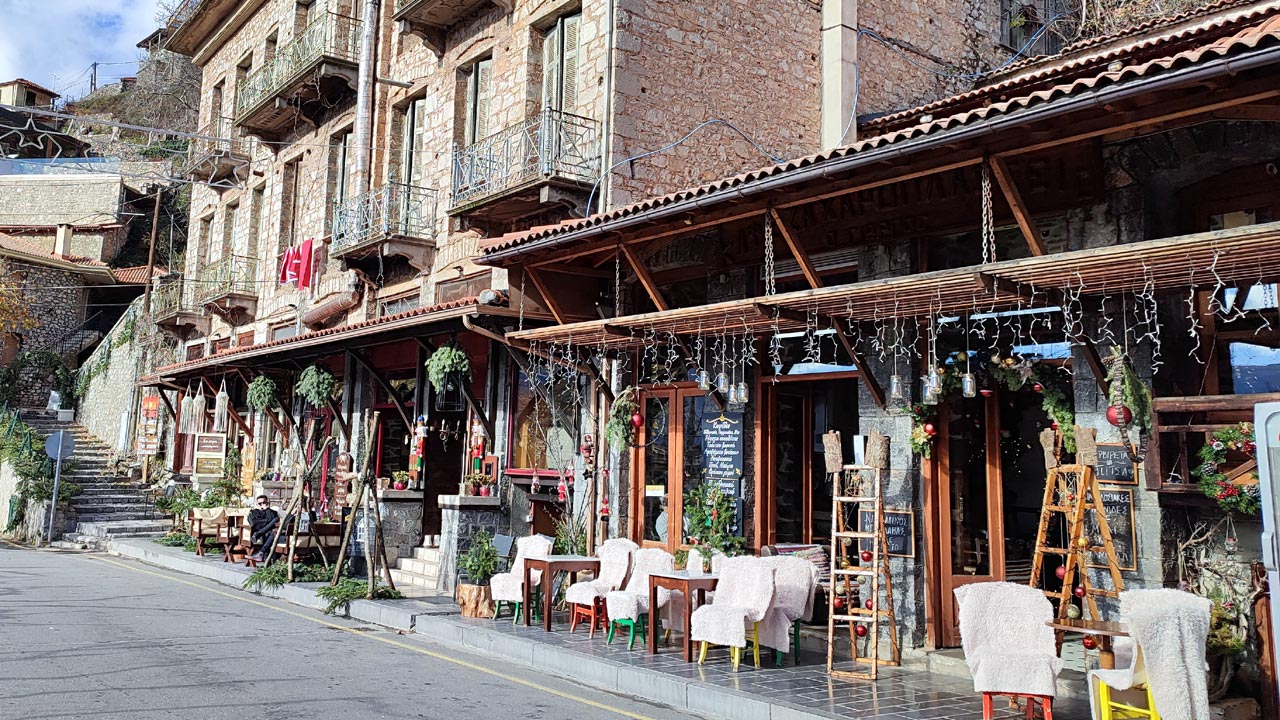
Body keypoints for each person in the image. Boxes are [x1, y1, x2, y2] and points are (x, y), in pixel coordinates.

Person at [247, 495, 279, 561]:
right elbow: (255, 523)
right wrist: (268, 522)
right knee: (271, 529)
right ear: (257, 504)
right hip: (259, 529)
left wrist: (267, 509)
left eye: (264, 503)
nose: (262, 505)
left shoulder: (272, 512)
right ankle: (265, 557)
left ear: (267, 503)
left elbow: (274, 520)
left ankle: (258, 536)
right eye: (260, 503)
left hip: (269, 531)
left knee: (272, 530)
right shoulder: (253, 512)